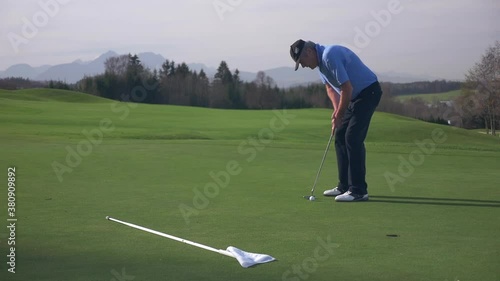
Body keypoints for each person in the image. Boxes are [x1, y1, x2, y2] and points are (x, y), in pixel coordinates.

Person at [289, 39, 382, 202]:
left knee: (352, 137)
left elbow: (347, 88)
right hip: (354, 98)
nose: (303, 65)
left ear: (309, 53)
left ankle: (359, 190)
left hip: (368, 93)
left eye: (302, 61)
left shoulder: (329, 55)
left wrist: (340, 114)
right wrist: (336, 111)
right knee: (340, 135)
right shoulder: (321, 64)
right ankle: (344, 186)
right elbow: (331, 88)